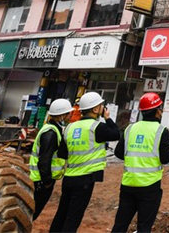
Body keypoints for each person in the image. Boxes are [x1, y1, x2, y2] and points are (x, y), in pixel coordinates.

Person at [49, 91, 119, 233]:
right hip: (85, 180)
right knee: (73, 218)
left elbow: (63, 153)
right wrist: (108, 118)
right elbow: (116, 133)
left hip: (69, 177)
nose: (102, 108)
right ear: (95, 109)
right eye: (101, 106)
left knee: (62, 214)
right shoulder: (97, 127)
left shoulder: (70, 128)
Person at [111, 92, 169, 233]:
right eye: (160, 108)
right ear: (157, 111)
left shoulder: (130, 128)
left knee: (120, 224)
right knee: (144, 227)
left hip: (128, 183)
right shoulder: (161, 131)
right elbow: (165, 158)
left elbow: (119, 153)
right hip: (150, 186)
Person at [31, 98, 72, 220]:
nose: (70, 116)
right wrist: (47, 181)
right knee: (32, 212)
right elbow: (44, 160)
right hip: (41, 180)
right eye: (68, 113)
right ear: (62, 115)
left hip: (41, 179)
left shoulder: (54, 129)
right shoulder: (51, 133)